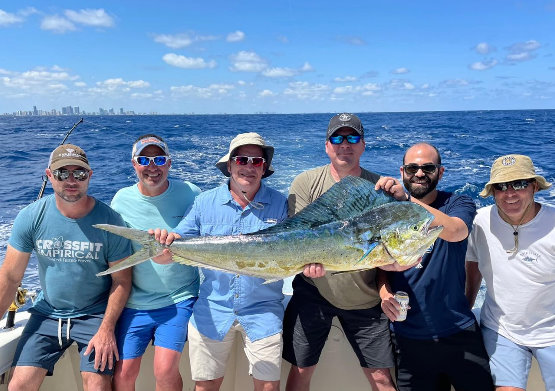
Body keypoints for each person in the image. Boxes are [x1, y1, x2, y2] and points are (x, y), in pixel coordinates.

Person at [154, 132, 287, 391]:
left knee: (269, 387)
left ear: (264, 168)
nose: (248, 166)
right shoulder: (204, 202)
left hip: (263, 309)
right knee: (205, 386)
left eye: (256, 161)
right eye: (242, 159)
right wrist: (159, 247)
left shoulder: (281, 204)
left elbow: (294, 251)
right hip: (213, 309)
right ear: (230, 165)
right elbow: (172, 248)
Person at [283, 113, 405, 391]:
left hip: (364, 297)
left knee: (382, 379)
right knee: (301, 369)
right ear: (327, 145)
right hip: (314, 291)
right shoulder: (305, 182)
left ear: (363, 145)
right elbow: (296, 240)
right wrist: (306, 265)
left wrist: (403, 198)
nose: (345, 144)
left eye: (353, 138)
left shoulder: (380, 188)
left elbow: (389, 253)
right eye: (337, 138)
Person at [0, 144, 133, 391]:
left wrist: (107, 328)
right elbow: (9, 277)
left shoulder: (111, 221)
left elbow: (122, 281)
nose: (71, 180)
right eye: (62, 173)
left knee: (97, 386)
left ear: (90, 176)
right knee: (18, 386)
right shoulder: (31, 217)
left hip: (94, 315)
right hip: (46, 313)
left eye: (79, 174)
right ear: (49, 176)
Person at [378, 142, 493, 391]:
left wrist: (407, 199)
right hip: (409, 339)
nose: (419, 173)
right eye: (412, 168)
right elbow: (379, 262)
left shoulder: (458, 203)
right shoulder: (387, 212)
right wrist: (384, 291)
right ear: (402, 172)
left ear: (440, 172)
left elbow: (456, 231)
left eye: (428, 168)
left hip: (460, 334)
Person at [111, 134, 201, 391]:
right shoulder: (121, 200)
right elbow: (112, 249)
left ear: (169, 163)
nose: (153, 166)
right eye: (144, 159)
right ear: (134, 164)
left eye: (159, 159)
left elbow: (206, 233)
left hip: (179, 298)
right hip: (136, 302)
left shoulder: (191, 193)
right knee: (124, 374)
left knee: (164, 370)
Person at [466, 154, 554, 391]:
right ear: (493, 192)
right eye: (501, 186)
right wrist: (464, 311)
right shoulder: (479, 222)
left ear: (534, 186)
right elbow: (473, 268)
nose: (510, 193)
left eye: (519, 184)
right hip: (502, 331)